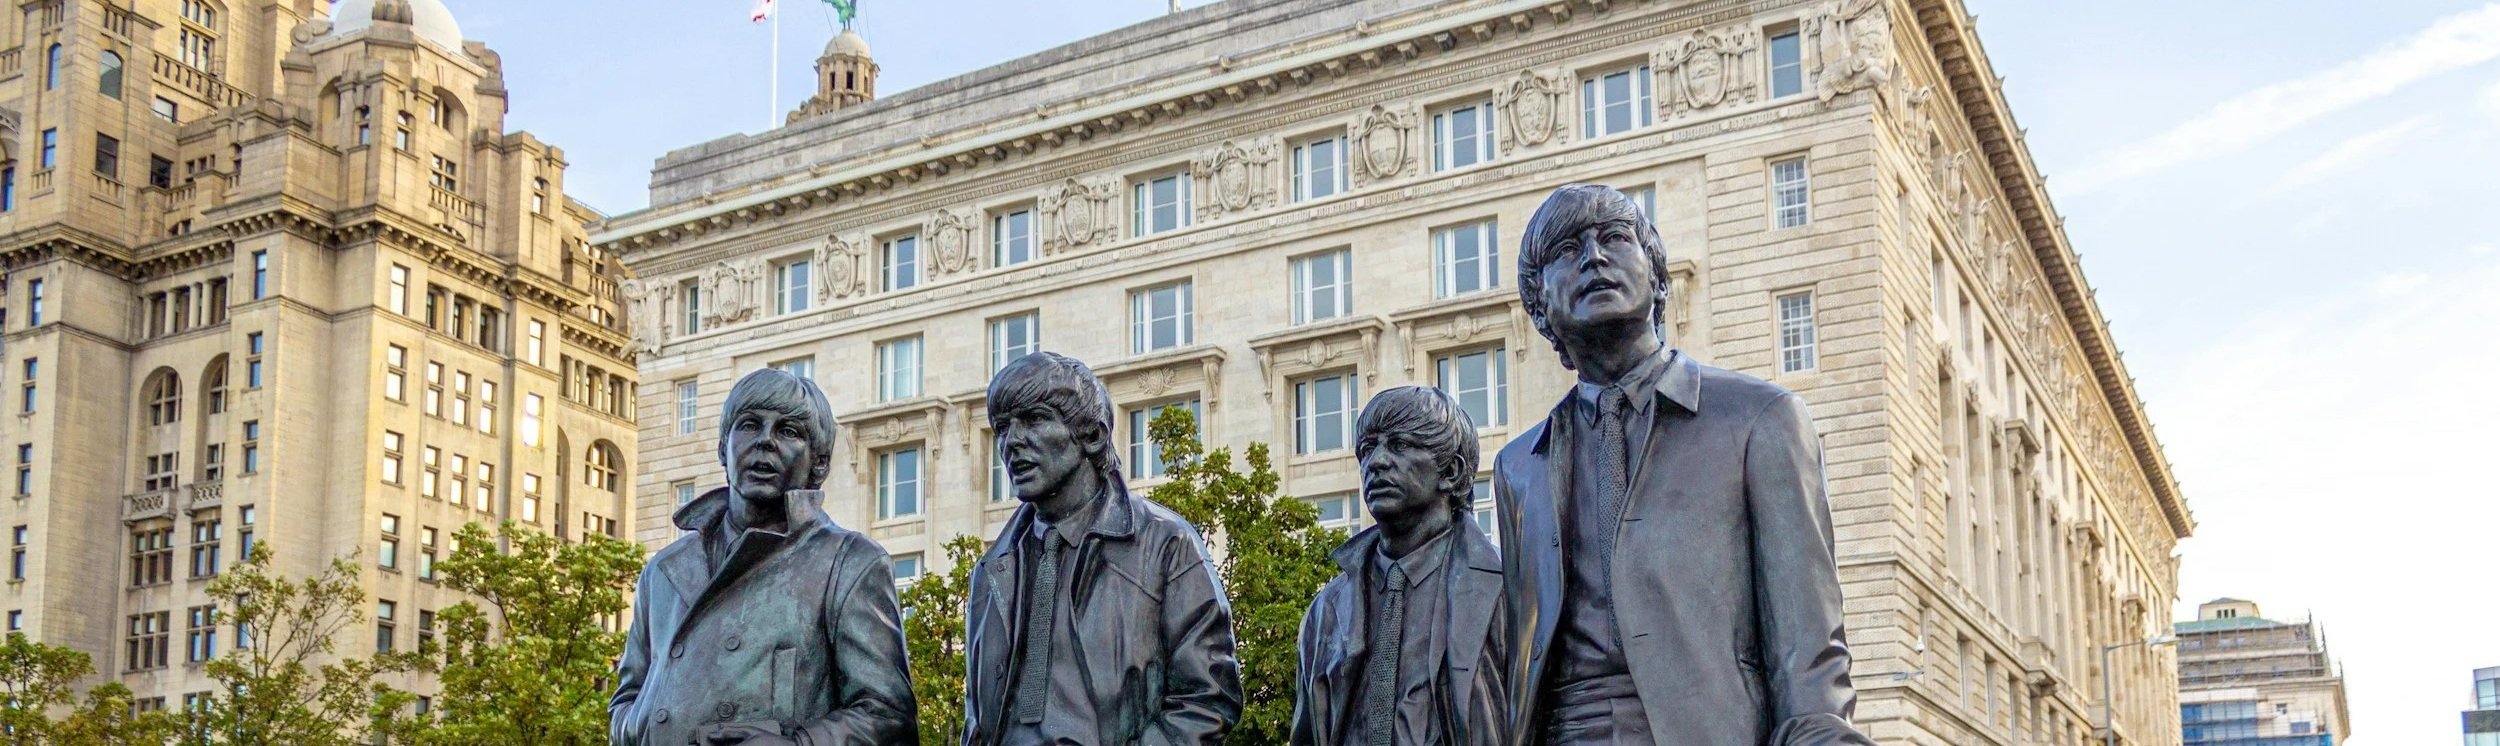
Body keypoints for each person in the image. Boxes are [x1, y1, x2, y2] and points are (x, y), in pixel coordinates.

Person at [1491, 184, 1872, 745]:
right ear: (1539, 308)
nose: (1593, 257)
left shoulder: (1760, 418)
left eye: (1615, 238)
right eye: (1567, 250)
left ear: (1659, 280)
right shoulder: (1518, 466)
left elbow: (1808, 647)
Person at [610, 368, 917, 746]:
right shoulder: (663, 570)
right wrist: (637, 727)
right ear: (723, 449)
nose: (765, 441)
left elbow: (889, 716)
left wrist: (799, 745)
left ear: (819, 463)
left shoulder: (850, 562)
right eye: (750, 425)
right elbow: (628, 695)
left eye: (788, 431)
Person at [962, 352, 1242, 746]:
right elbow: (977, 719)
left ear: (1092, 434)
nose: (1012, 442)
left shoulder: (1166, 544)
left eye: (1035, 419)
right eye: (1003, 428)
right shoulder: (992, 570)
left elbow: (1207, 700)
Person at [1291, 386, 1507, 746]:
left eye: (1400, 445)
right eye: (1367, 449)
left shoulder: (1505, 587)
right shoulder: (1326, 610)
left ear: (1451, 471)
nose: (1375, 462)